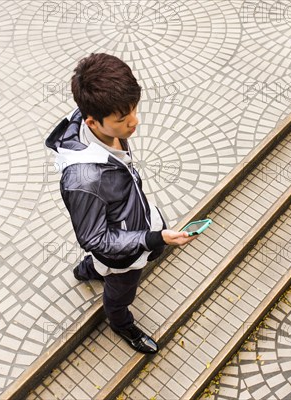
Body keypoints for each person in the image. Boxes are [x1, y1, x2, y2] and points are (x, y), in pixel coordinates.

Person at [45, 53, 196, 354]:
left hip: (133, 220)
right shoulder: (82, 180)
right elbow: (95, 238)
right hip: (121, 255)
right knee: (119, 295)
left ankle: (87, 270)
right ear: (92, 121)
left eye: (134, 111)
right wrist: (152, 238)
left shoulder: (99, 120)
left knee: (108, 262)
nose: (134, 122)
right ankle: (120, 323)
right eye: (123, 119)